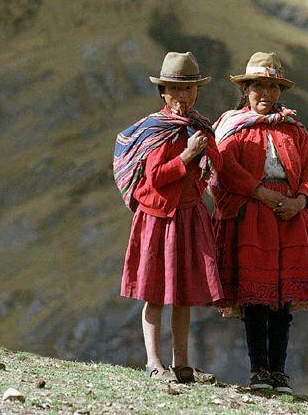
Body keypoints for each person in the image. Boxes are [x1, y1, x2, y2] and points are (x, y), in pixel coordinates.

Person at [211, 51, 308, 393]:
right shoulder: (232, 129)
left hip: (290, 219)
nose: (264, 94)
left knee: (283, 298)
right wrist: (259, 193)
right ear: (246, 89)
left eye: (271, 87)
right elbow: (224, 169)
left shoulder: (294, 130)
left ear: (280, 91)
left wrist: (300, 201)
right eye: (257, 87)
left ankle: (279, 373)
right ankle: (259, 372)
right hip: (252, 217)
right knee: (256, 296)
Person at [113, 51, 223, 384]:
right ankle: (153, 363)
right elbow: (156, 177)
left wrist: (209, 146)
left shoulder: (198, 127)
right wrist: (188, 155)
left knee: (183, 295)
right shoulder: (156, 131)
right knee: (155, 294)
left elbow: (217, 165)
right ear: (162, 92)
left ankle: (182, 365)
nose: (181, 96)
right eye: (175, 89)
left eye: (188, 89)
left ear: (197, 92)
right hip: (158, 220)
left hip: (188, 216)